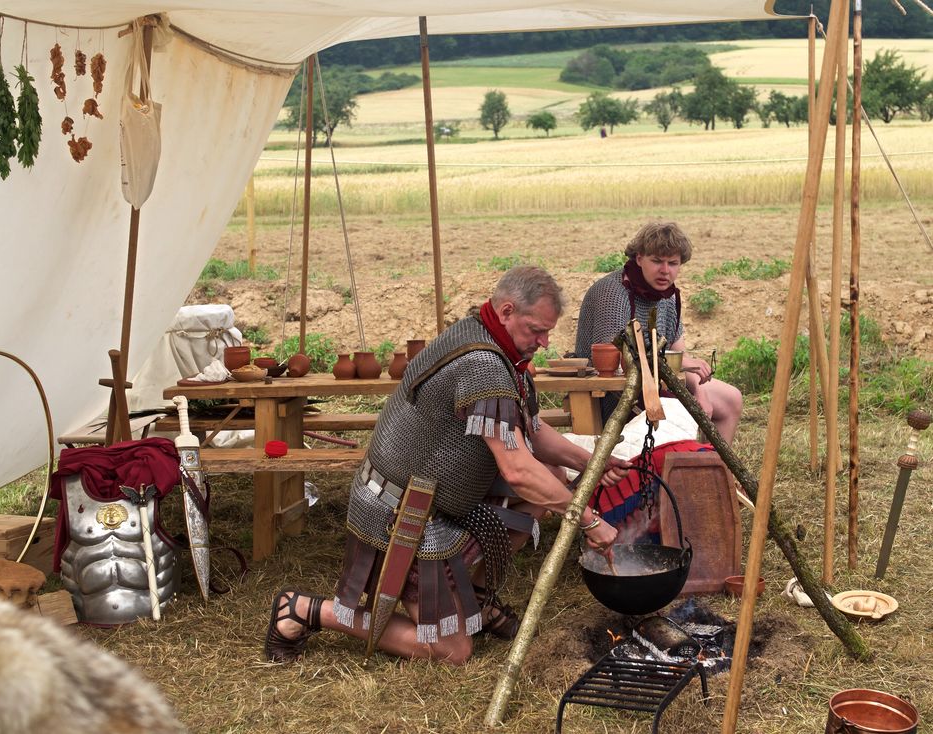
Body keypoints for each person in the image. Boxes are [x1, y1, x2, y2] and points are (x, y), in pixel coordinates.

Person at [264, 266, 629, 666]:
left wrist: (592, 461)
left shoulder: (495, 343)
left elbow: (531, 431)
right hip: (401, 511)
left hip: (442, 494)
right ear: (506, 310)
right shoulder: (483, 363)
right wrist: (589, 520)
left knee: (553, 481)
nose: (543, 342)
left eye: (547, 332)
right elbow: (518, 470)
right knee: (453, 651)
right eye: (536, 330)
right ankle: (302, 610)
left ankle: (478, 603)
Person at [574, 221, 742, 443]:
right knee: (673, 411)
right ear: (639, 258)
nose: (665, 270)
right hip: (613, 394)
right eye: (657, 261)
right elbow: (613, 362)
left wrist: (700, 394)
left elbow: (678, 353)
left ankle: (713, 473)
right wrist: (679, 364)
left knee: (731, 399)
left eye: (673, 263)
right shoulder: (613, 293)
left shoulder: (668, 297)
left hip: (657, 382)